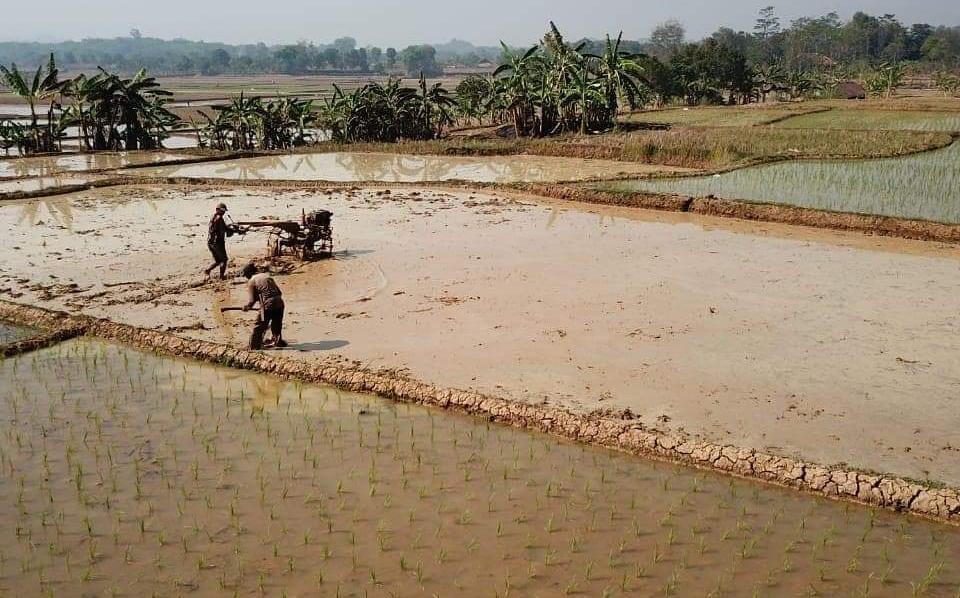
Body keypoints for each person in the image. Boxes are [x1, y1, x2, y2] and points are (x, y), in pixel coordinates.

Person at [241, 262, 287, 350]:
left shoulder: (252, 281)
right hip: (279, 302)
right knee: (277, 324)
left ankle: (253, 346)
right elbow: (279, 292)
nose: (245, 277)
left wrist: (246, 307)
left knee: (259, 326)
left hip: (268, 303)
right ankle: (278, 341)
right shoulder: (266, 276)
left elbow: (251, 301)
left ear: (248, 274)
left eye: (245, 275)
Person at [204, 202, 238, 279]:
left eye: (224, 211)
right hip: (217, 243)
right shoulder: (219, 218)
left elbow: (222, 228)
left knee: (218, 261)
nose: (223, 212)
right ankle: (221, 277)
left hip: (210, 242)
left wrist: (230, 228)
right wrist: (235, 230)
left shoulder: (213, 217)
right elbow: (224, 229)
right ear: (217, 209)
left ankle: (207, 270)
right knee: (224, 260)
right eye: (222, 210)